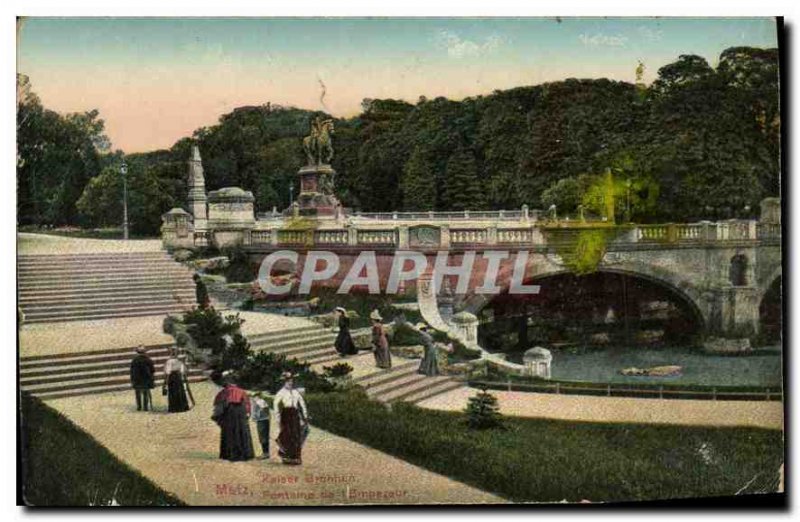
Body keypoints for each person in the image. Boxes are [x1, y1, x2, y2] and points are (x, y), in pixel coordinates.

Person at [212, 372, 255, 462]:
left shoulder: (224, 392)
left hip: (229, 414)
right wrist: (247, 414)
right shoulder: (242, 392)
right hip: (241, 413)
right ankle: (245, 454)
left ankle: (230, 454)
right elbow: (247, 404)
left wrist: (217, 417)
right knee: (242, 432)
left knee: (230, 433)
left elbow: (219, 406)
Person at [274, 372, 309, 465]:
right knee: (287, 435)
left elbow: (302, 403)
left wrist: (305, 415)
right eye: (288, 381)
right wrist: (277, 418)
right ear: (284, 382)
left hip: (295, 414)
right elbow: (275, 405)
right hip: (286, 414)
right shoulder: (281, 392)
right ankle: (286, 456)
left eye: (291, 381)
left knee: (296, 435)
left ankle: (296, 457)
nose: (290, 383)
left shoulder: (295, 392)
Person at [129, 345, 155, 411]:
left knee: (138, 393)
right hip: (146, 379)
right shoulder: (148, 359)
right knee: (145, 393)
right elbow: (152, 369)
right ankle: (145, 407)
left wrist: (132, 378)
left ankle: (139, 406)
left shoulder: (135, 360)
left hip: (137, 379)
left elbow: (132, 370)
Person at [251, 391, 272, 460]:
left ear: (257, 396)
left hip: (262, 421)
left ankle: (265, 453)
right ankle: (266, 453)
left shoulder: (260, 401)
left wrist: (258, 415)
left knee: (263, 436)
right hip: (264, 420)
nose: (253, 398)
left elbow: (264, 409)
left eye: (254, 397)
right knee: (264, 436)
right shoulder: (261, 401)